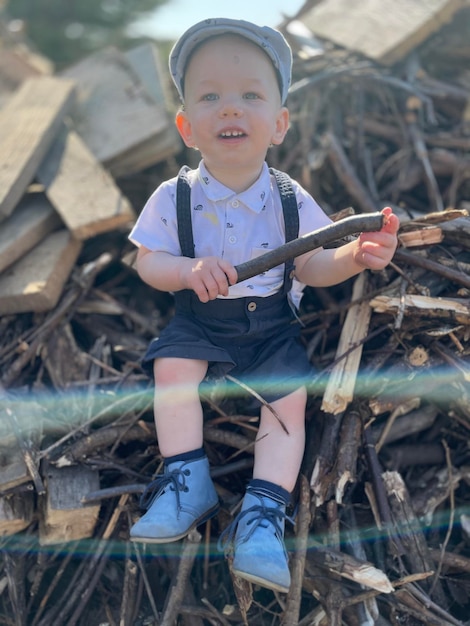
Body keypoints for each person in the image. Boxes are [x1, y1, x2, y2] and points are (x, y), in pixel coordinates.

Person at [128, 17, 399, 593]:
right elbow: (146, 263)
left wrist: (356, 256)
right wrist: (186, 270)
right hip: (200, 321)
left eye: (250, 95)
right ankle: (187, 480)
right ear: (187, 126)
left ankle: (262, 516)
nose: (230, 109)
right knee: (172, 367)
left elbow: (312, 265)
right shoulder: (174, 197)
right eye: (210, 97)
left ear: (278, 124)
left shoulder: (289, 199)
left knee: (288, 401)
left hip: (271, 326)